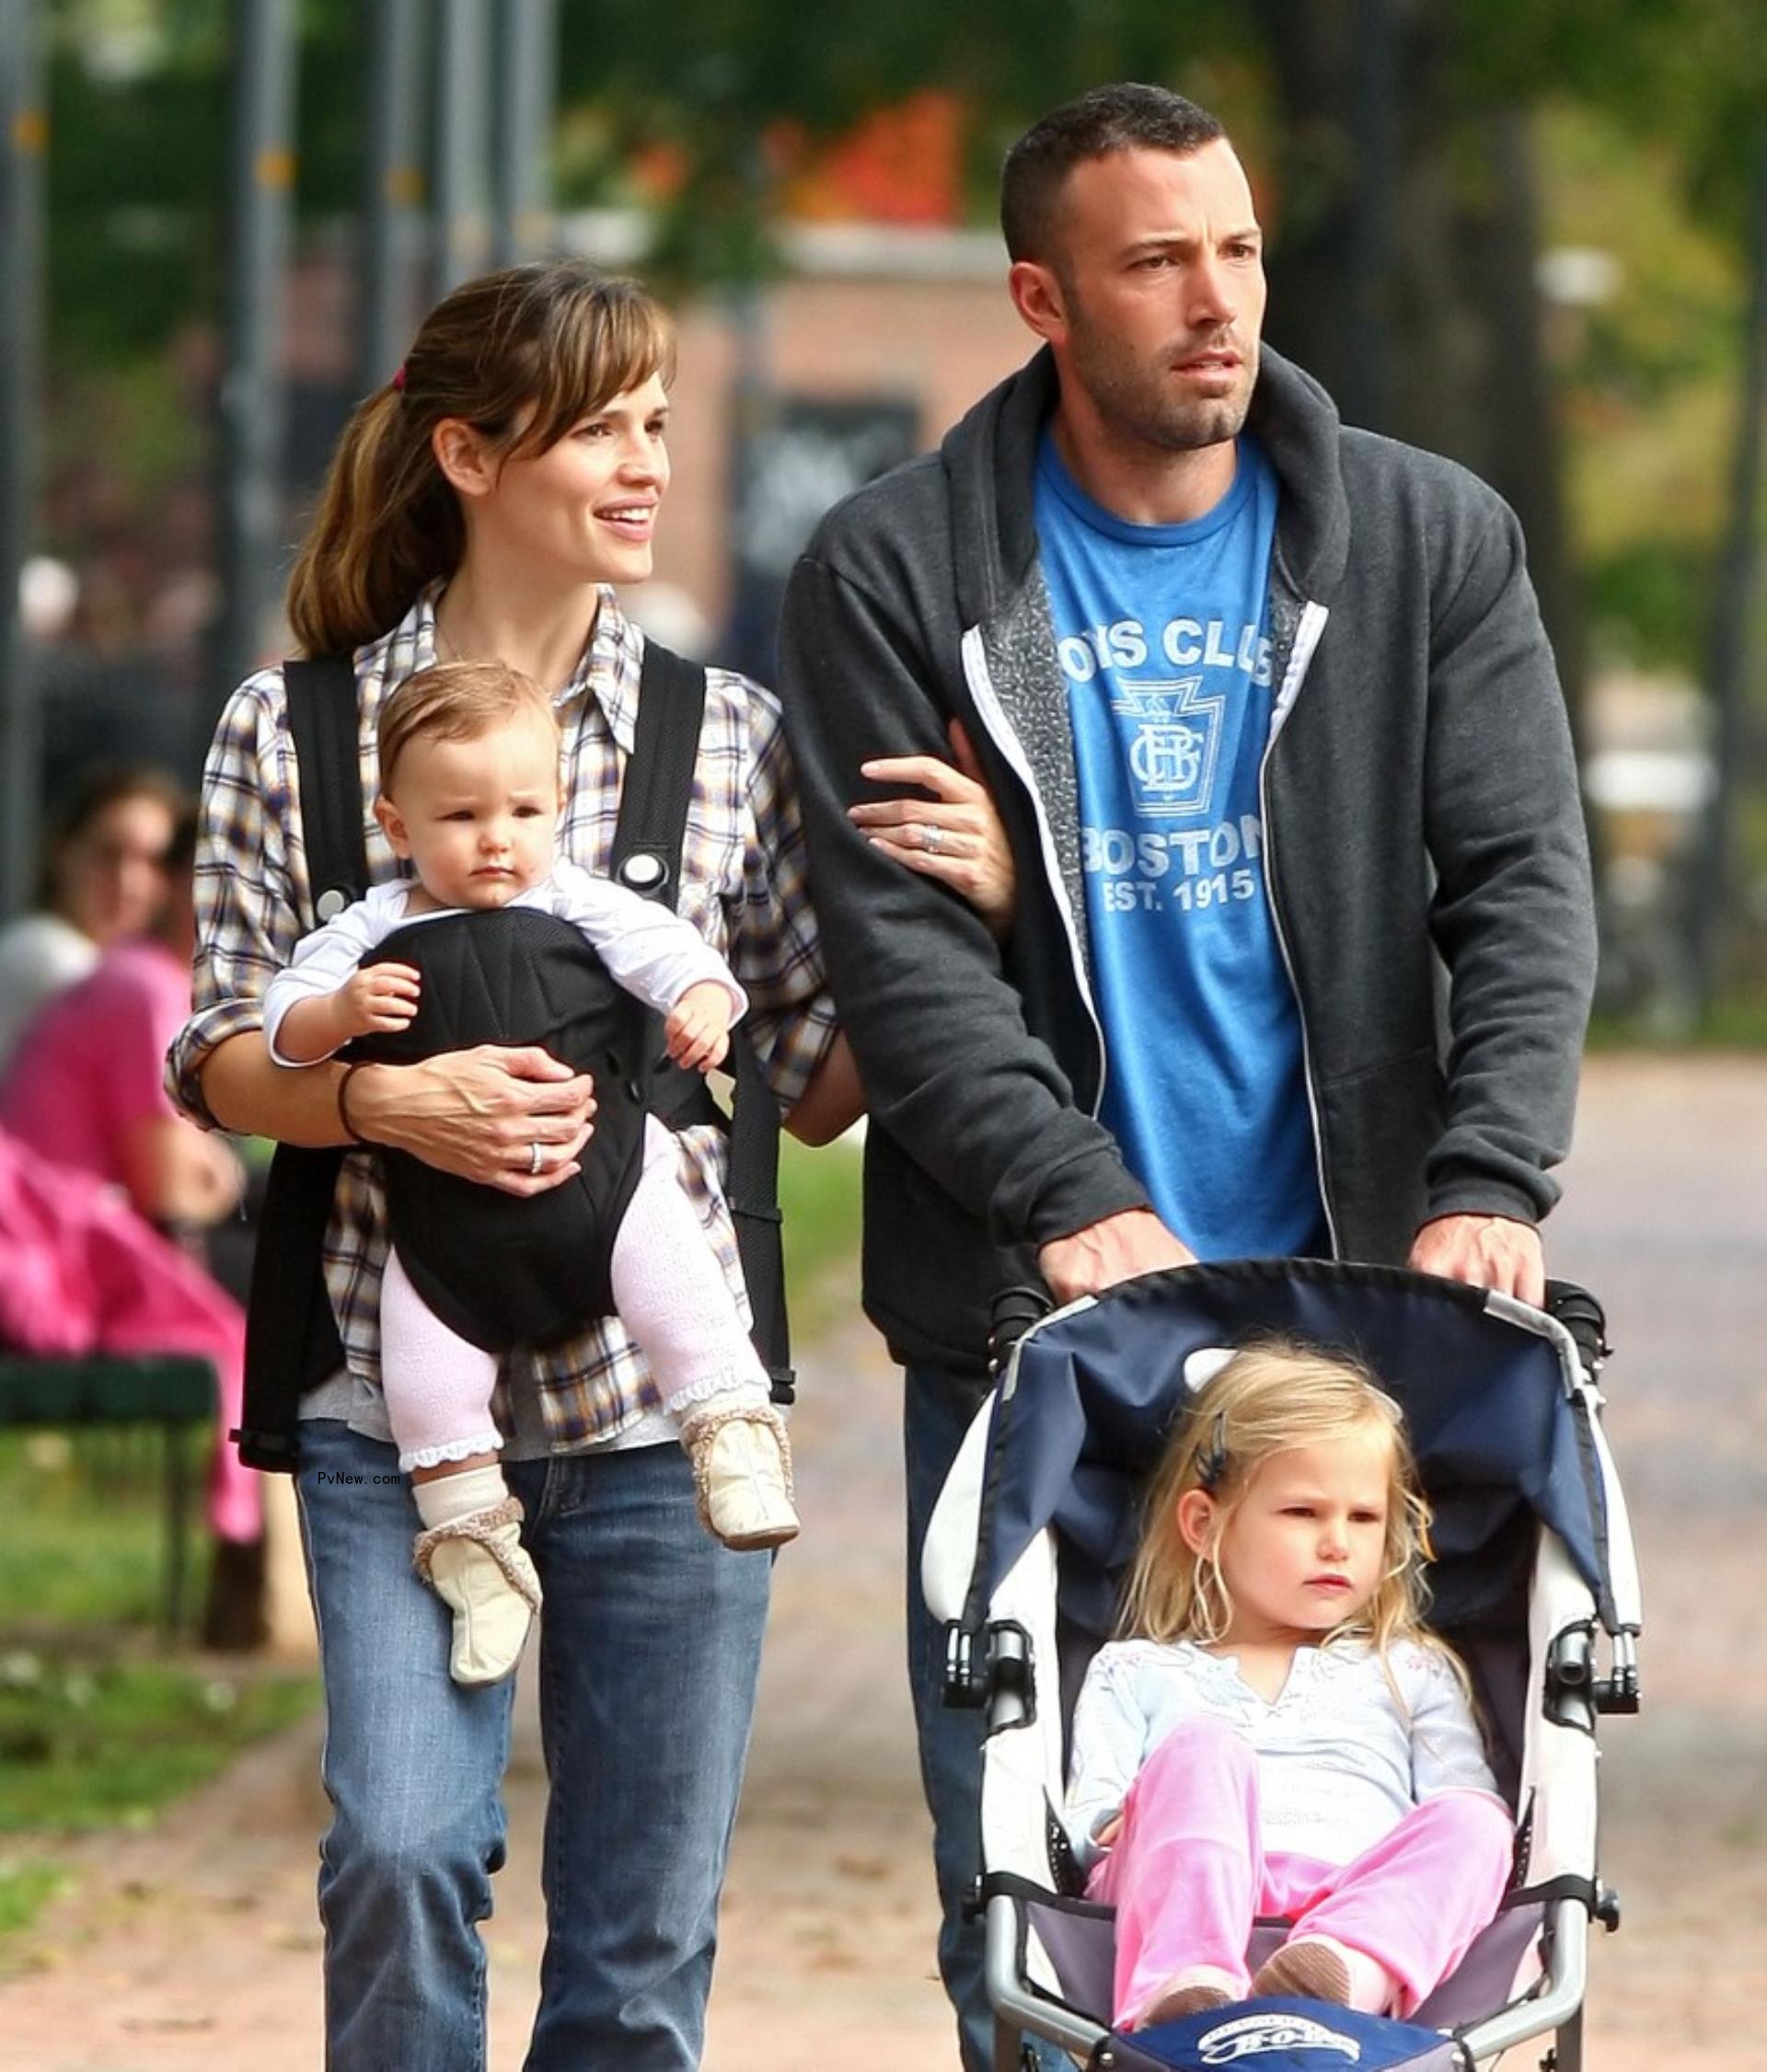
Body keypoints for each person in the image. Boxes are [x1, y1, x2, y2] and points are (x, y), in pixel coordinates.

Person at [777, 81, 1596, 2067]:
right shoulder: (898, 571)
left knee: (1436, 1817)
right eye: (1156, 262)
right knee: (1028, 1861)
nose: (1218, 300)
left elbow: (1523, 883)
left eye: (1236, 249)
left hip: (1368, 1313)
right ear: (1042, 300)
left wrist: (1487, 1177)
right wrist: (1073, 1198)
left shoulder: (1423, 541)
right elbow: (902, 961)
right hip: (1043, 1328)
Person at [166, 260, 860, 2072]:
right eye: (600, 430)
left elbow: (808, 1076)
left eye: (658, 425)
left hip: (663, 1410)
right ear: (469, 454)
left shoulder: (730, 737)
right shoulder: (293, 733)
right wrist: (384, 1106)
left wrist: (976, 917)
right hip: (387, 1396)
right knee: (401, 1848)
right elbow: (217, 1053)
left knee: (638, 1946)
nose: (648, 466)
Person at [262, 657, 800, 1688]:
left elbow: (675, 953)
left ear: (558, 806)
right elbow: (282, 1023)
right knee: (424, 1385)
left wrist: (702, 1001)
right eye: (461, 816)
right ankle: (476, 1554)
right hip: (444, 1232)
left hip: (606, 1188)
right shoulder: (372, 925)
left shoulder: (580, 899)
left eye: (524, 811)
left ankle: (729, 1437)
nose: (497, 839)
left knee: (677, 1280)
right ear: (397, 823)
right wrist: (337, 1013)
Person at [1066, 1340, 1514, 2032]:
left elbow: (1457, 1813)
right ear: (1205, 1525)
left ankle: (1342, 1975)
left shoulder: (1408, 1670)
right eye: (1303, 1513)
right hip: (1184, 1897)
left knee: (1479, 1822)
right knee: (1202, 1749)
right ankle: (1186, 1988)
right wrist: (1125, 1818)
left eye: (1363, 1518)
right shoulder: (1137, 1671)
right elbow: (1086, 1822)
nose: (1338, 1543)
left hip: (1355, 1900)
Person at [0, 763, 180, 1076]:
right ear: (62, 852)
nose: (127, 882)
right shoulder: (46, 954)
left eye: (152, 862)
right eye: (108, 854)